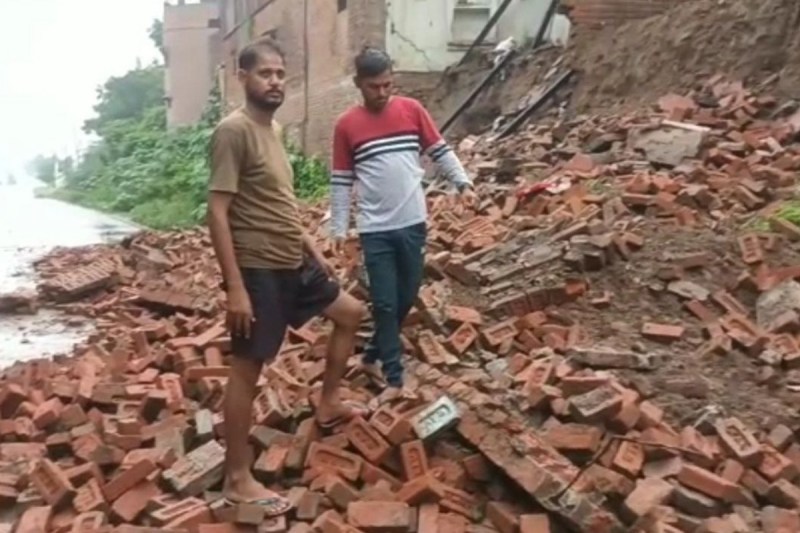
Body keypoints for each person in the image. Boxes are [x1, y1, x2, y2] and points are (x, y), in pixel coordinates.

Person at [207, 37, 367, 514]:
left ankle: (328, 403)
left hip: (293, 260)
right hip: (258, 268)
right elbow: (217, 212)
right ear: (243, 78)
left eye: (280, 73)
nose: (275, 81)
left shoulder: (274, 129)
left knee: (350, 313)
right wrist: (236, 288)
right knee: (248, 366)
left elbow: (279, 201)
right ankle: (237, 476)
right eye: (265, 74)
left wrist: (312, 249)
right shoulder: (232, 132)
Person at [329, 47, 476, 407]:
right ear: (358, 84)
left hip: (412, 222)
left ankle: (370, 356)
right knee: (384, 303)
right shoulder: (347, 125)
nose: (382, 93)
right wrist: (338, 228)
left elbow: (439, 150)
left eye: (387, 85)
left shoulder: (412, 110)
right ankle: (394, 377)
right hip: (375, 228)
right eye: (374, 87)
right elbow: (341, 181)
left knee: (406, 296)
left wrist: (462, 182)